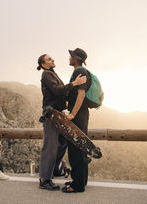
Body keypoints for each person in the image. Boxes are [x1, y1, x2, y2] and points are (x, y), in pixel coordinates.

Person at [37, 54, 87, 190]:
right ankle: (44, 179)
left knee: (63, 144)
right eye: (48, 59)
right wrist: (75, 84)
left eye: (52, 58)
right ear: (43, 64)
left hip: (59, 114)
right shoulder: (46, 74)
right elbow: (57, 91)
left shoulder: (53, 74)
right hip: (51, 114)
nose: (52, 59)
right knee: (50, 146)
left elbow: (62, 92)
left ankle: (55, 170)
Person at [62, 48, 92, 193]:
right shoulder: (82, 71)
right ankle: (81, 180)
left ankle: (77, 185)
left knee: (75, 150)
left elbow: (80, 94)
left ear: (76, 58)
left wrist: (72, 114)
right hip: (82, 115)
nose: (69, 57)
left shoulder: (79, 71)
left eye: (71, 56)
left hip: (78, 116)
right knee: (81, 148)